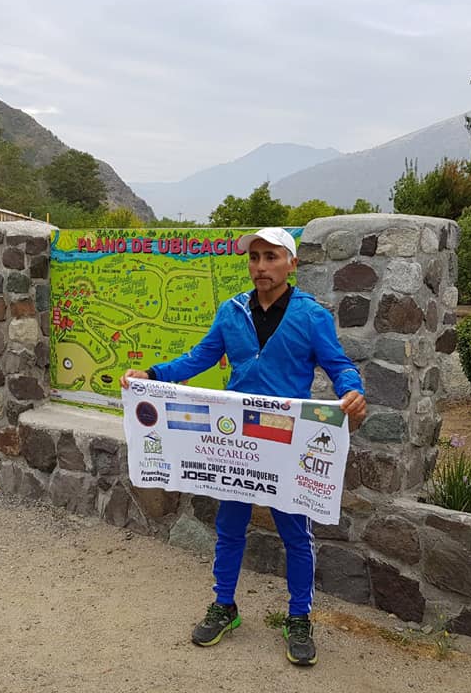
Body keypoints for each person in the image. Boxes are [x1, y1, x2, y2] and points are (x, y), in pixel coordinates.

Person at [120, 226, 366, 666]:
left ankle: (298, 617)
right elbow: (199, 358)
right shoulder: (231, 311)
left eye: (271, 257)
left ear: (291, 263)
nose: (260, 267)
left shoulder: (311, 316)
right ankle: (225, 605)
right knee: (230, 526)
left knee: (295, 533)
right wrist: (153, 375)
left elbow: (339, 365)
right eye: (254, 258)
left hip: (285, 443)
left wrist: (352, 391)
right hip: (236, 441)